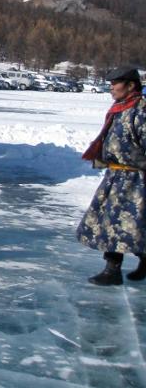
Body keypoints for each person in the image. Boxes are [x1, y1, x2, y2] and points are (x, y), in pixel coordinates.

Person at [76, 66, 146, 286]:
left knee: (128, 224)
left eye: (115, 84)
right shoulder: (121, 108)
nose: (111, 88)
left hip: (136, 180)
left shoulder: (141, 110)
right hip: (117, 176)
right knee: (114, 223)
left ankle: (113, 270)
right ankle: (118, 267)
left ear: (130, 85)